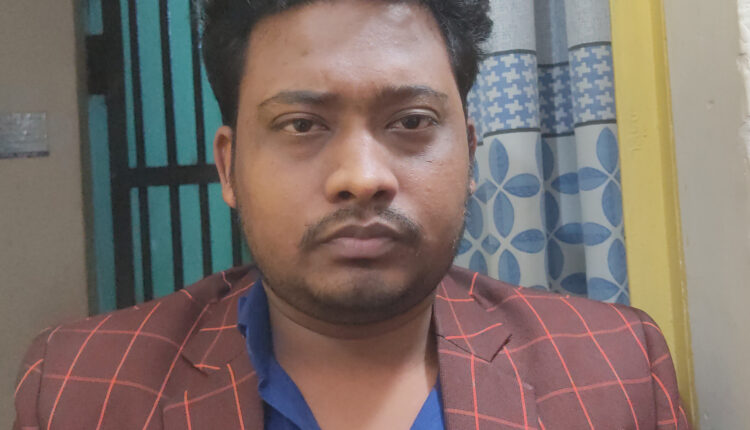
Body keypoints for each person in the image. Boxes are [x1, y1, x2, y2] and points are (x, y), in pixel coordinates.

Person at [14, 0, 690, 429]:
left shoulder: (616, 370)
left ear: (470, 154)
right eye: (302, 125)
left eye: (411, 121)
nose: (363, 178)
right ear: (229, 168)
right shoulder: (79, 388)